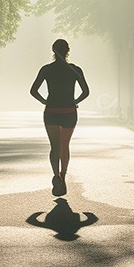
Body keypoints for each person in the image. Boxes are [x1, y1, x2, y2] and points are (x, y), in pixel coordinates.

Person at [30, 39, 89, 197]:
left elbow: (33, 90)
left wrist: (45, 101)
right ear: (68, 50)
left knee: (55, 147)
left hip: (52, 111)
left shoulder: (47, 70)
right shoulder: (75, 69)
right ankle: (64, 174)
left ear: (53, 51)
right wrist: (75, 102)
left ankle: (56, 175)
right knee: (65, 145)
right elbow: (86, 92)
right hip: (69, 111)